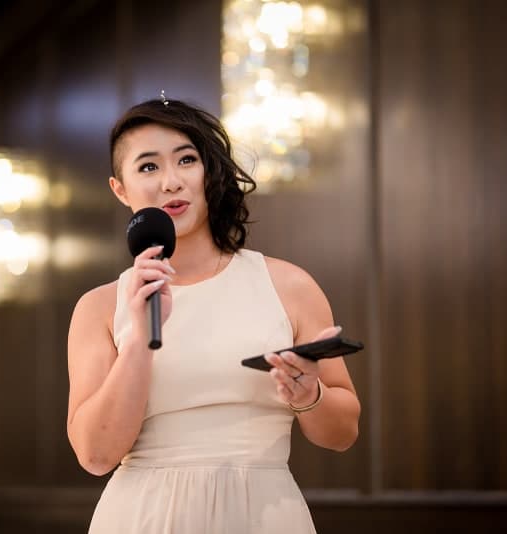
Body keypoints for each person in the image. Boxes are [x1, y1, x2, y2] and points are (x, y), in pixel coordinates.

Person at [66, 98, 360, 533]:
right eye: (148, 167)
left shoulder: (288, 285)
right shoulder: (100, 307)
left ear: (208, 173)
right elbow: (95, 455)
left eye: (186, 160)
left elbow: (343, 434)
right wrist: (139, 341)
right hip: (141, 516)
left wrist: (307, 395)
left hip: (264, 512)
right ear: (120, 189)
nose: (171, 181)